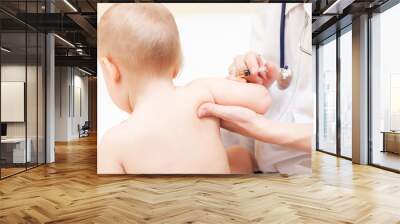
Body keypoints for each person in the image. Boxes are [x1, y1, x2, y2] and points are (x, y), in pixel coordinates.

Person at [97, 4, 271, 174]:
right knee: (241, 155)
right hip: (218, 200)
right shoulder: (202, 92)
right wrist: (242, 78)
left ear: (112, 70)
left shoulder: (113, 143)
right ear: (177, 65)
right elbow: (262, 100)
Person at [198, 3, 313, 175]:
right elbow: (247, 152)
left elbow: (346, 138)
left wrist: (262, 128)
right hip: (264, 172)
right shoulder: (269, 11)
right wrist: (250, 81)